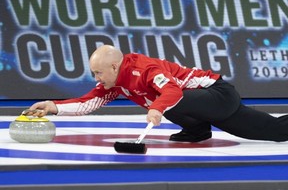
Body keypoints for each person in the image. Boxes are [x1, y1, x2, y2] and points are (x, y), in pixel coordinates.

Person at [26, 44, 288, 143]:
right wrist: (53, 106)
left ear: (114, 66)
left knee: (168, 101)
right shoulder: (114, 82)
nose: (96, 78)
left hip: (217, 95)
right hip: (202, 106)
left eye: (98, 73)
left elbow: (172, 90)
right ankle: (198, 130)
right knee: (273, 132)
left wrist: (156, 108)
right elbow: (88, 103)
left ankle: (197, 130)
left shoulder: (144, 68)